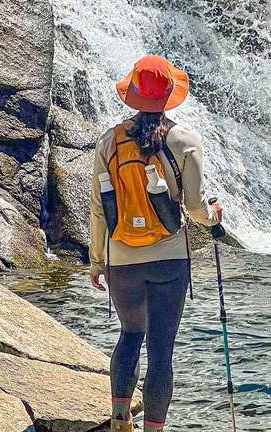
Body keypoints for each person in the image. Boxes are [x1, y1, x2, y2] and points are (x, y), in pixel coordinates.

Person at [89, 54, 223, 432]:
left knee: (131, 333)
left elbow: (99, 209)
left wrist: (97, 261)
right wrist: (214, 217)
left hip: (122, 259)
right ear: (169, 96)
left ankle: (119, 421)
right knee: (161, 350)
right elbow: (196, 208)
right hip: (169, 260)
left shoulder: (109, 142)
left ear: (131, 95)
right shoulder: (184, 140)